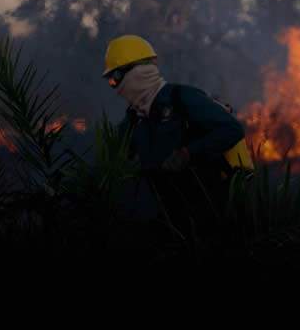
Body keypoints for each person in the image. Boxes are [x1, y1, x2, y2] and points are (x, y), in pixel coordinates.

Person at [102, 34, 247, 242]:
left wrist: (188, 153)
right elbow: (116, 159)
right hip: (165, 220)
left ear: (136, 71)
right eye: (110, 81)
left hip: (207, 214)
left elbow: (232, 129)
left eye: (115, 78)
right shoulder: (135, 118)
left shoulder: (182, 97)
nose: (115, 87)